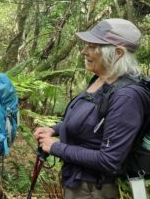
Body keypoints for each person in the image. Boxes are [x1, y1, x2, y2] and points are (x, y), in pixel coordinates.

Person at [34, 18, 150, 199]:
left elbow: (110, 160)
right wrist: (54, 129)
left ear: (118, 53)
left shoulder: (127, 97)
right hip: (76, 181)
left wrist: (56, 147)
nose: (84, 51)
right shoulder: (101, 80)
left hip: (93, 189)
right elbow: (89, 120)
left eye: (93, 46)